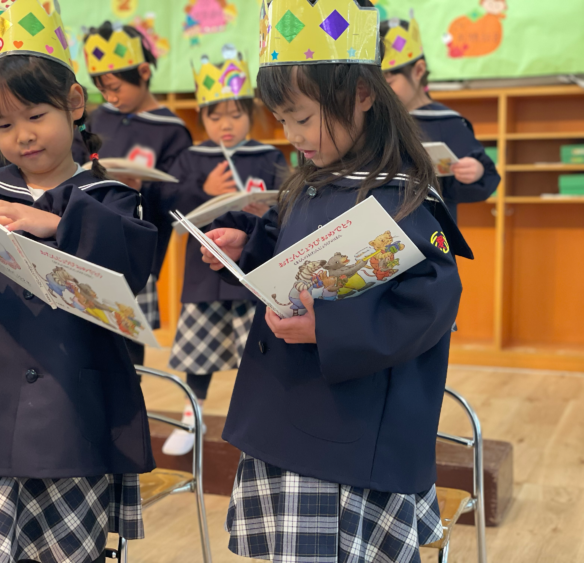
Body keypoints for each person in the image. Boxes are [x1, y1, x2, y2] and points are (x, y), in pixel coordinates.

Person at [201, 0, 473, 560]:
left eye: (302, 118)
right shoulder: (311, 181)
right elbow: (289, 248)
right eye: (282, 120)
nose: (292, 134)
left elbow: (433, 301)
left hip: (349, 443)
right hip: (285, 419)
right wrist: (247, 244)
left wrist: (331, 328)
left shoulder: (403, 194)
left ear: (362, 95)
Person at [0, 1, 158, 561]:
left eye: (35, 116)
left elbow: (127, 273)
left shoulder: (111, 199)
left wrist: (59, 225)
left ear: (75, 104)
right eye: (4, 125)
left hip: (76, 418)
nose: (22, 137)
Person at [161, 46, 288, 456]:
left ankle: (262, 420)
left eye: (235, 114)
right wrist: (204, 191)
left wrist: (263, 209)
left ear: (252, 113)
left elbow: (287, 202)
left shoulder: (267, 156)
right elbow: (170, 205)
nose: (226, 124)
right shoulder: (190, 159)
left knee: (259, 352)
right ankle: (191, 416)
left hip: (252, 272)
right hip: (204, 273)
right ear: (203, 119)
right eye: (215, 116)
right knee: (198, 352)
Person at [85, 21, 193, 365]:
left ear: (143, 71)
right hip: (89, 238)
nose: (111, 98)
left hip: (137, 248)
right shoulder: (98, 119)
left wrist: (142, 188)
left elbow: (178, 197)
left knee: (128, 333)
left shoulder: (173, 130)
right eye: (103, 91)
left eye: (115, 87)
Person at [381, 13, 500, 220]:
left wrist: (476, 171)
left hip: (432, 231)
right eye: (377, 85)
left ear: (418, 71)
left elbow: (487, 178)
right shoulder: (375, 123)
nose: (383, 93)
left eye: (389, 83)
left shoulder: (447, 123)